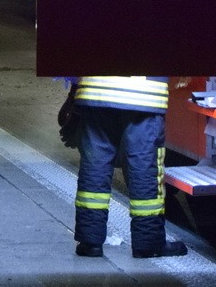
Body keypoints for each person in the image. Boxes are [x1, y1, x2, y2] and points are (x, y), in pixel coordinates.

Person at [71, 75, 188, 259]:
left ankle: (90, 241)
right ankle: (148, 243)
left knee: (95, 166)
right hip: (144, 95)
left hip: (96, 91)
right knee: (144, 168)